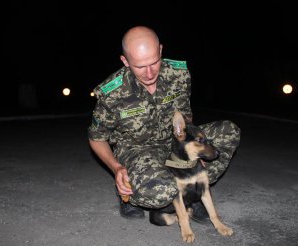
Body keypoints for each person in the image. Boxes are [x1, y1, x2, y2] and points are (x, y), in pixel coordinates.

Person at [88, 26, 240, 222]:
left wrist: (192, 151)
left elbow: (185, 119)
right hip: (137, 150)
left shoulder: (179, 75)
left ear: (160, 50)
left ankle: (194, 192)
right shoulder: (112, 93)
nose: (150, 73)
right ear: (125, 61)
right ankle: (127, 193)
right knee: (162, 191)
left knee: (229, 132)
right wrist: (117, 168)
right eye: (140, 66)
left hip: (174, 142)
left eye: (154, 62)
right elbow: (96, 138)